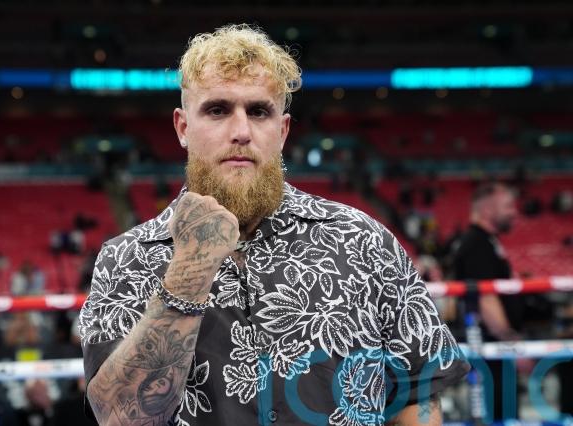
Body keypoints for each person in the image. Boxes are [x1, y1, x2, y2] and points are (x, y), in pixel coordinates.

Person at [79, 24, 469, 426]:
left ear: (282, 131)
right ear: (183, 128)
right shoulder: (127, 259)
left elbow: (416, 395)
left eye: (259, 112)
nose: (241, 132)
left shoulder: (363, 241)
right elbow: (119, 418)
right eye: (217, 110)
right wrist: (188, 272)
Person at [451, 182, 524, 421]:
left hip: (494, 353)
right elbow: (485, 300)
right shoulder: (476, 244)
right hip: (489, 352)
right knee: (497, 416)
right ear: (487, 210)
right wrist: (513, 345)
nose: (514, 212)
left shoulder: (487, 242)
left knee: (503, 414)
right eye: (508, 206)